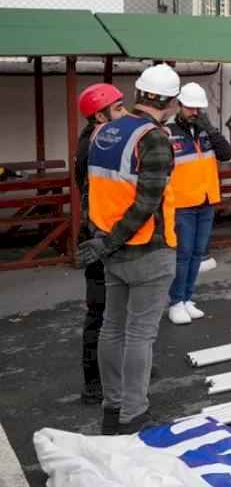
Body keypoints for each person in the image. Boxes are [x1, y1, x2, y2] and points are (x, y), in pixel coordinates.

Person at [77, 64, 181, 435]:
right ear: (170, 101)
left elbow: (91, 192)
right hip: (146, 250)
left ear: (138, 93)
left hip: (110, 252)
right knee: (139, 335)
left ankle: (112, 408)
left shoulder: (102, 131)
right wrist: (111, 239)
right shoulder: (153, 138)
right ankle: (133, 414)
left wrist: (101, 240)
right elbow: (146, 202)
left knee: (112, 330)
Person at [73, 83, 128, 405]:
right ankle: (94, 381)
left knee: (121, 308)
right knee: (100, 309)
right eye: (118, 108)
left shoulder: (105, 138)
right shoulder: (93, 145)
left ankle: (123, 367)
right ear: (99, 116)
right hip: (98, 237)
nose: (124, 113)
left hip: (114, 234)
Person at [165, 83, 231, 325]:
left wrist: (211, 130)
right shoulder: (167, 131)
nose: (195, 113)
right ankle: (175, 302)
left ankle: (187, 298)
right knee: (182, 256)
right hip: (182, 202)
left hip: (206, 199)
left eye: (199, 109)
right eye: (191, 108)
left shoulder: (205, 130)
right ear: (179, 105)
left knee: (197, 254)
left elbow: (226, 154)